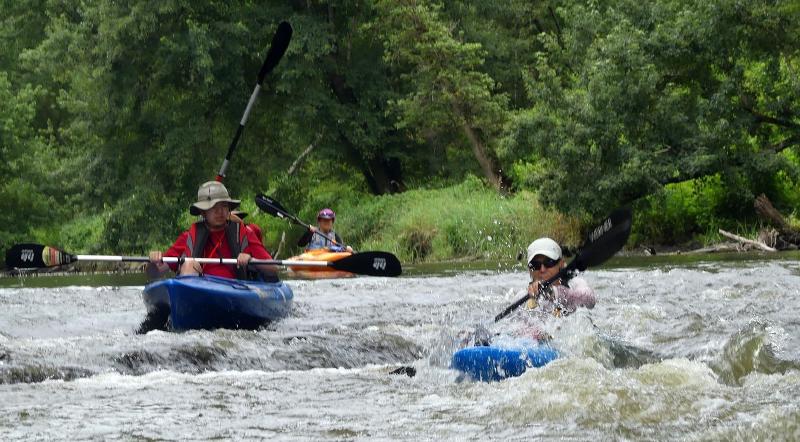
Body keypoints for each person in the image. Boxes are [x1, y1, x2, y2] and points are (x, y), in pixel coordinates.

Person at [148, 181, 277, 280]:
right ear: (203, 212)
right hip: (199, 291)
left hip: (236, 290)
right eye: (214, 207)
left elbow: (273, 268)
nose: (220, 211)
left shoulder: (244, 233)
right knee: (189, 264)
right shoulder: (188, 237)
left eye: (224, 206)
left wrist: (251, 259)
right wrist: (154, 262)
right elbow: (155, 273)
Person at [525, 237, 596, 316]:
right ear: (529, 270)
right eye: (535, 265)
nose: (542, 269)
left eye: (549, 262)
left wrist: (552, 292)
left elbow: (590, 300)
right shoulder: (522, 297)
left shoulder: (575, 284)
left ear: (561, 264)